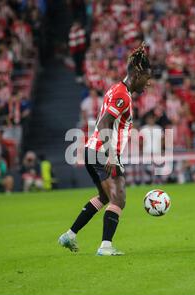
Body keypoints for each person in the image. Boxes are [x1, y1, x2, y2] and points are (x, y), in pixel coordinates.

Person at [58, 43, 152, 256]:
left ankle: (69, 235)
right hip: (103, 152)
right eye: (147, 78)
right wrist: (111, 154)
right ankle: (105, 247)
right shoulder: (123, 95)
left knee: (104, 196)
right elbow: (103, 123)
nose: (147, 84)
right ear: (137, 74)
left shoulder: (115, 89)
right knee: (119, 197)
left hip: (93, 150)